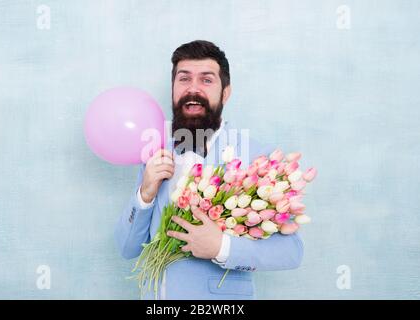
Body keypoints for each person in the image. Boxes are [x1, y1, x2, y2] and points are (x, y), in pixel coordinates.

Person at [115, 40, 303, 300]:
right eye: (184, 79)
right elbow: (127, 248)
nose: (193, 89)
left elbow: (291, 251)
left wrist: (222, 247)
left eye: (206, 80)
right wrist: (144, 195)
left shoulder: (258, 158)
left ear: (225, 92)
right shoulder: (155, 151)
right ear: (173, 88)